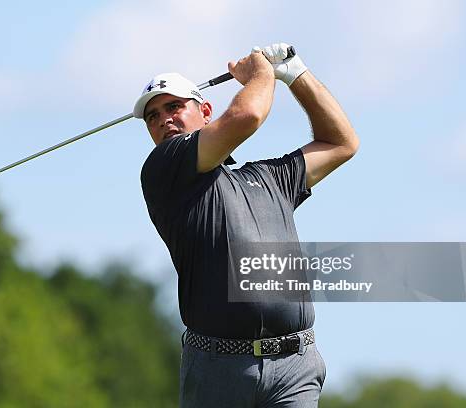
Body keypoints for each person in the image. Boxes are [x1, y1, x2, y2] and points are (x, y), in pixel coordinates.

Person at [135, 43, 359, 408]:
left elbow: (341, 142)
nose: (163, 120)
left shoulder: (269, 178)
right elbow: (249, 114)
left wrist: (295, 73)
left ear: (204, 111)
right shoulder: (165, 167)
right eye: (152, 116)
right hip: (218, 369)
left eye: (174, 106)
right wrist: (261, 73)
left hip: (295, 367)